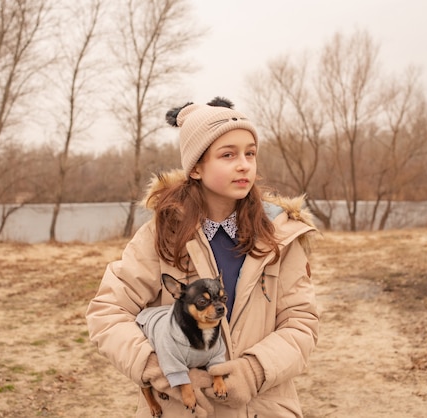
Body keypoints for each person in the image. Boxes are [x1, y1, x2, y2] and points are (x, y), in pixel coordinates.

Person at [86, 96, 319, 418]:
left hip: (263, 407)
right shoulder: (161, 236)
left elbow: (302, 323)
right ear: (196, 167)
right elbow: (108, 312)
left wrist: (254, 370)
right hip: (183, 409)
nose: (244, 165)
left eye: (250, 153)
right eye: (228, 155)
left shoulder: (280, 236)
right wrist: (159, 368)